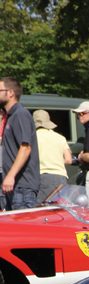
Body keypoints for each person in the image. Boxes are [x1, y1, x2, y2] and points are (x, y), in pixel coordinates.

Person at [1, 77, 40, 210]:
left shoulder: (20, 114)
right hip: (14, 186)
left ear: (10, 93)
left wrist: (10, 176)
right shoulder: (11, 116)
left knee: (24, 228)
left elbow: (26, 148)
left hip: (23, 187)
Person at [33, 109, 72, 203]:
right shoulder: (60, 137)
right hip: (61, 178)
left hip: (43, 177)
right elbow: (68, 160)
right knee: (59, 210)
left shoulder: (32, 137)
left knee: (41, 210)